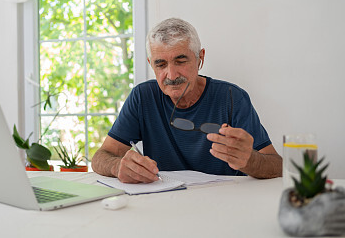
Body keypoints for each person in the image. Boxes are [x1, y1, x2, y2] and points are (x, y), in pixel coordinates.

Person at [92, 18, 282, 183]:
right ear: (151, 64)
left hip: (223, 202)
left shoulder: (231, 97)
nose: (172, 75)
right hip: (164, 201)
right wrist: (117, 167)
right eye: (161, 64)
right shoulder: (142, 97)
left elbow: (277, 165)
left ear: (200, 58)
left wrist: (250, 160)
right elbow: (101, 157)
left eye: (181, 61)